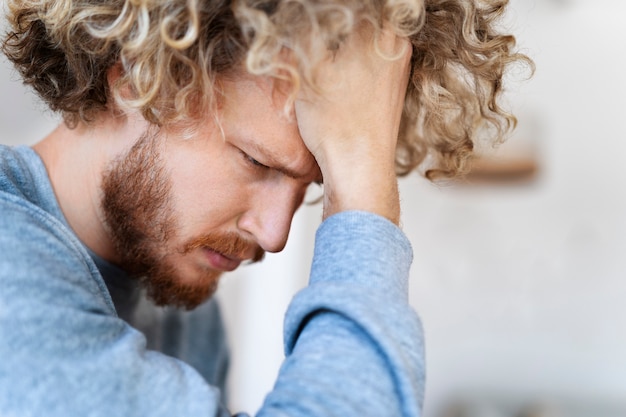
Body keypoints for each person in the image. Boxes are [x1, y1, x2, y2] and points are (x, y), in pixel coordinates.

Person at [0, 0, 529, 416]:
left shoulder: (185, 303)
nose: (275, 234)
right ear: (139, 78)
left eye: (311, 187)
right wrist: (365, 196)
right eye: (257, 162)